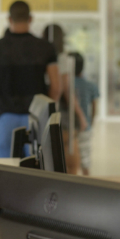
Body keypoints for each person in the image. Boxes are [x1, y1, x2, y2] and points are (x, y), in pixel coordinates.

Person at [0, 0, 60, 158]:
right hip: (36, 117)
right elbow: (56, 87)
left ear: (9, 19)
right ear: (31, 18)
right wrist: (45, 107)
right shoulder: (45, 48)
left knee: (3, 171)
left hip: (5, 117)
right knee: (37, 169)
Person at [42, 24, 87, 174]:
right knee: (71, 160)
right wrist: (81, 116)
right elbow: (67, 90)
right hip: (62, 113)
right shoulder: (62, 59)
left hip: (43, 108)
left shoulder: (41, 57)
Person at [68, 52, 99, 176]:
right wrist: (91, 122)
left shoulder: (66, 84)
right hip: (85, 126)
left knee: (70, 159)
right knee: (85, 160)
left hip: (69, 127)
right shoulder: (90, 85)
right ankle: (87, 182)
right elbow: (94, 107)